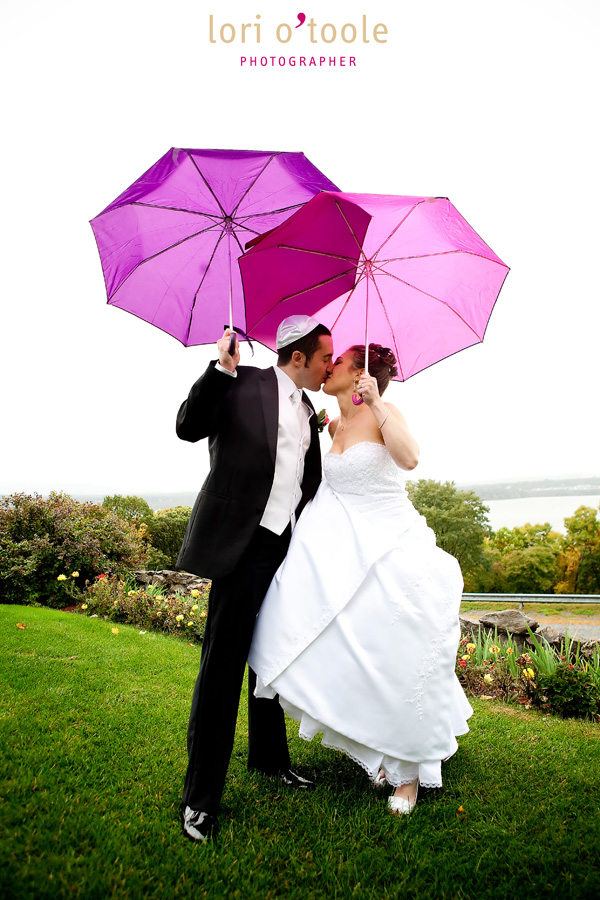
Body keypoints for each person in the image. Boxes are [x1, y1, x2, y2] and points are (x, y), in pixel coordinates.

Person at [249, 343, 473, 816]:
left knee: (397, 655)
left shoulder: (383, 410)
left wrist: (374, 402)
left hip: (392, 547)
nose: (328, 369)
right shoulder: (331, 424)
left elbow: (410, 459)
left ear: (359, 376)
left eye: (339, 363)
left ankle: (408, 774)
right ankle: (373, 746)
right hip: (344, 553)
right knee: (353, 651)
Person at [176, 315, 334, 842]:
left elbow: (303, 482)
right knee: (222, 670)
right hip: (240, 548)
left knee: (270, 660)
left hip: (285, 549)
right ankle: (199, 799)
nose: (329, 366)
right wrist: (218, 370)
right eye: (324, 359)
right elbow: (188, 426)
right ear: (297, 358)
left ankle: (269, 760)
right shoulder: (241, 382)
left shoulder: (309, 408)